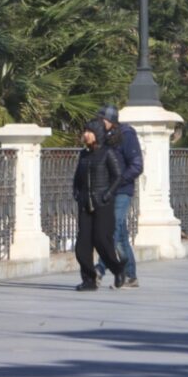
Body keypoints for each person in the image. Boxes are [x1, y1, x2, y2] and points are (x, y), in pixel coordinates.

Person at [72, 118, 125, 291]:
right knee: (82, 246)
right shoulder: (84, 154)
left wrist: (107, 195)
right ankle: (89, 280)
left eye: (89, 131)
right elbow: (78, 177)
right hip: (85, 204)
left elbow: (118, 176)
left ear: (98, 134)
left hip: (102, 204)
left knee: (102, 241)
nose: (85, 135)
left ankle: (118, 269)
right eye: (84, 131)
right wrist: (76, 191)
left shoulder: (107, 153)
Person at [94, 105, 143, 288]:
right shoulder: (102, 137)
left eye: (102, 120)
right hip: (106, 191)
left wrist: (118, 181)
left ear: (111, 121)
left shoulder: (127, 135)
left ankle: (99, 269)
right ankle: (130, 276)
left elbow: (137, 165)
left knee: (112, 229)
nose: (100, 123)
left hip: (122, 191)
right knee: (120, 235)